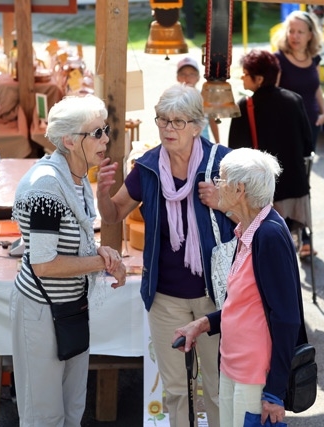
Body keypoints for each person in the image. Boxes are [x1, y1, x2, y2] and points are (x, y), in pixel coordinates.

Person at [96, 84, 233, 427]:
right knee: (176, 391)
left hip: (215, 297)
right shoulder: (148, 167)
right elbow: (114, 214)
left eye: (178, 122)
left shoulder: (223, 164)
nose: (169, 129)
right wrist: (102, 194)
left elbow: (257, 218)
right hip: (165, 297)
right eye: (163, 120)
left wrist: (222, 202)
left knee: (218, 389)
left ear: (197, 126)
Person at [9, 95, 126, 426]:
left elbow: (73, 241)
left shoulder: (76, 178)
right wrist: (101, 263)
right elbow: (44, 265)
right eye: (97, 133)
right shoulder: (47, 185)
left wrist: (101, 252)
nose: (106, 139)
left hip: (69, 309)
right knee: (45, 416)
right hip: (42, 313)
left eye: (106, 130)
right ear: (70, 141)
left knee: (72, 410)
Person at [172, 148, 305, 427]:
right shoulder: (249, 230)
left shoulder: (268, 235)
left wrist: (275, 391)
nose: (216, 185)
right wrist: (203, 324)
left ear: (239, 189)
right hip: (233, 367)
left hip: (255, 375)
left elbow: (287, 318)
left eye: (221, 179)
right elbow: (244, 304)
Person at [229, 49, 313, 255]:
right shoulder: (294, 99)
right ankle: (299, 244)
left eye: (245, 73)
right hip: (296, 192)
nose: (241, 77)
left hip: (263, 194)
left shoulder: (245, 106)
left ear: (258, 79)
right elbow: (308, 145)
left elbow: (235, 155)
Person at [272, 10, 324, 150]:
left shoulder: (314, 58)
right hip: (287, 127)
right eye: (291, 31)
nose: (294, 36)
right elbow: (272, 94)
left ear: (310, 35)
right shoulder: (278, 59)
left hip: (312, 124)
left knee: (308, 162)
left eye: (300, 32)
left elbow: (316, 88)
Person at [176, 56, 220, 144]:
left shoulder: (205, 97)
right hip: (180, 144)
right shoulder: (173, 99)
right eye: (183, 74)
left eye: (192, 74)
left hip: (203, 143)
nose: (187, 77)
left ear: (198, 77)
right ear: (177, 77)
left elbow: (212, 121)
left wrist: (217, 143)